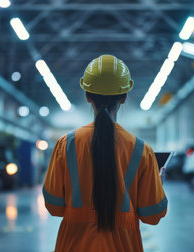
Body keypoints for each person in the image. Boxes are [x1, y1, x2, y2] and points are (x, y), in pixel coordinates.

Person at [42, 55, 167, 251]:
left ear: (88, 96)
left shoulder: (65, 145)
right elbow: (152, 215)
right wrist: (157, 182)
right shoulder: (142, 150)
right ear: (124, 97)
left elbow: (54, 206)